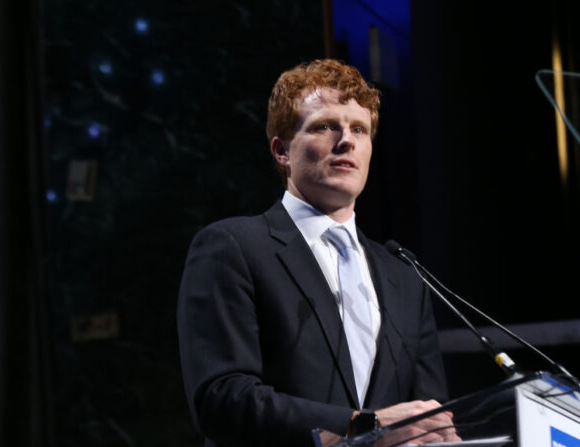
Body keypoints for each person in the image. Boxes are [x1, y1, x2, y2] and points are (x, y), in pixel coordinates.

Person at [177, 59, 460, 446]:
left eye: (359, 129)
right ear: (281, 150)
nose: (346, 140)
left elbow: (427, 413)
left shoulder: (405, 276)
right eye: (325, 126)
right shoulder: (234, 247)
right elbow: (221, 399)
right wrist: (361, 424)